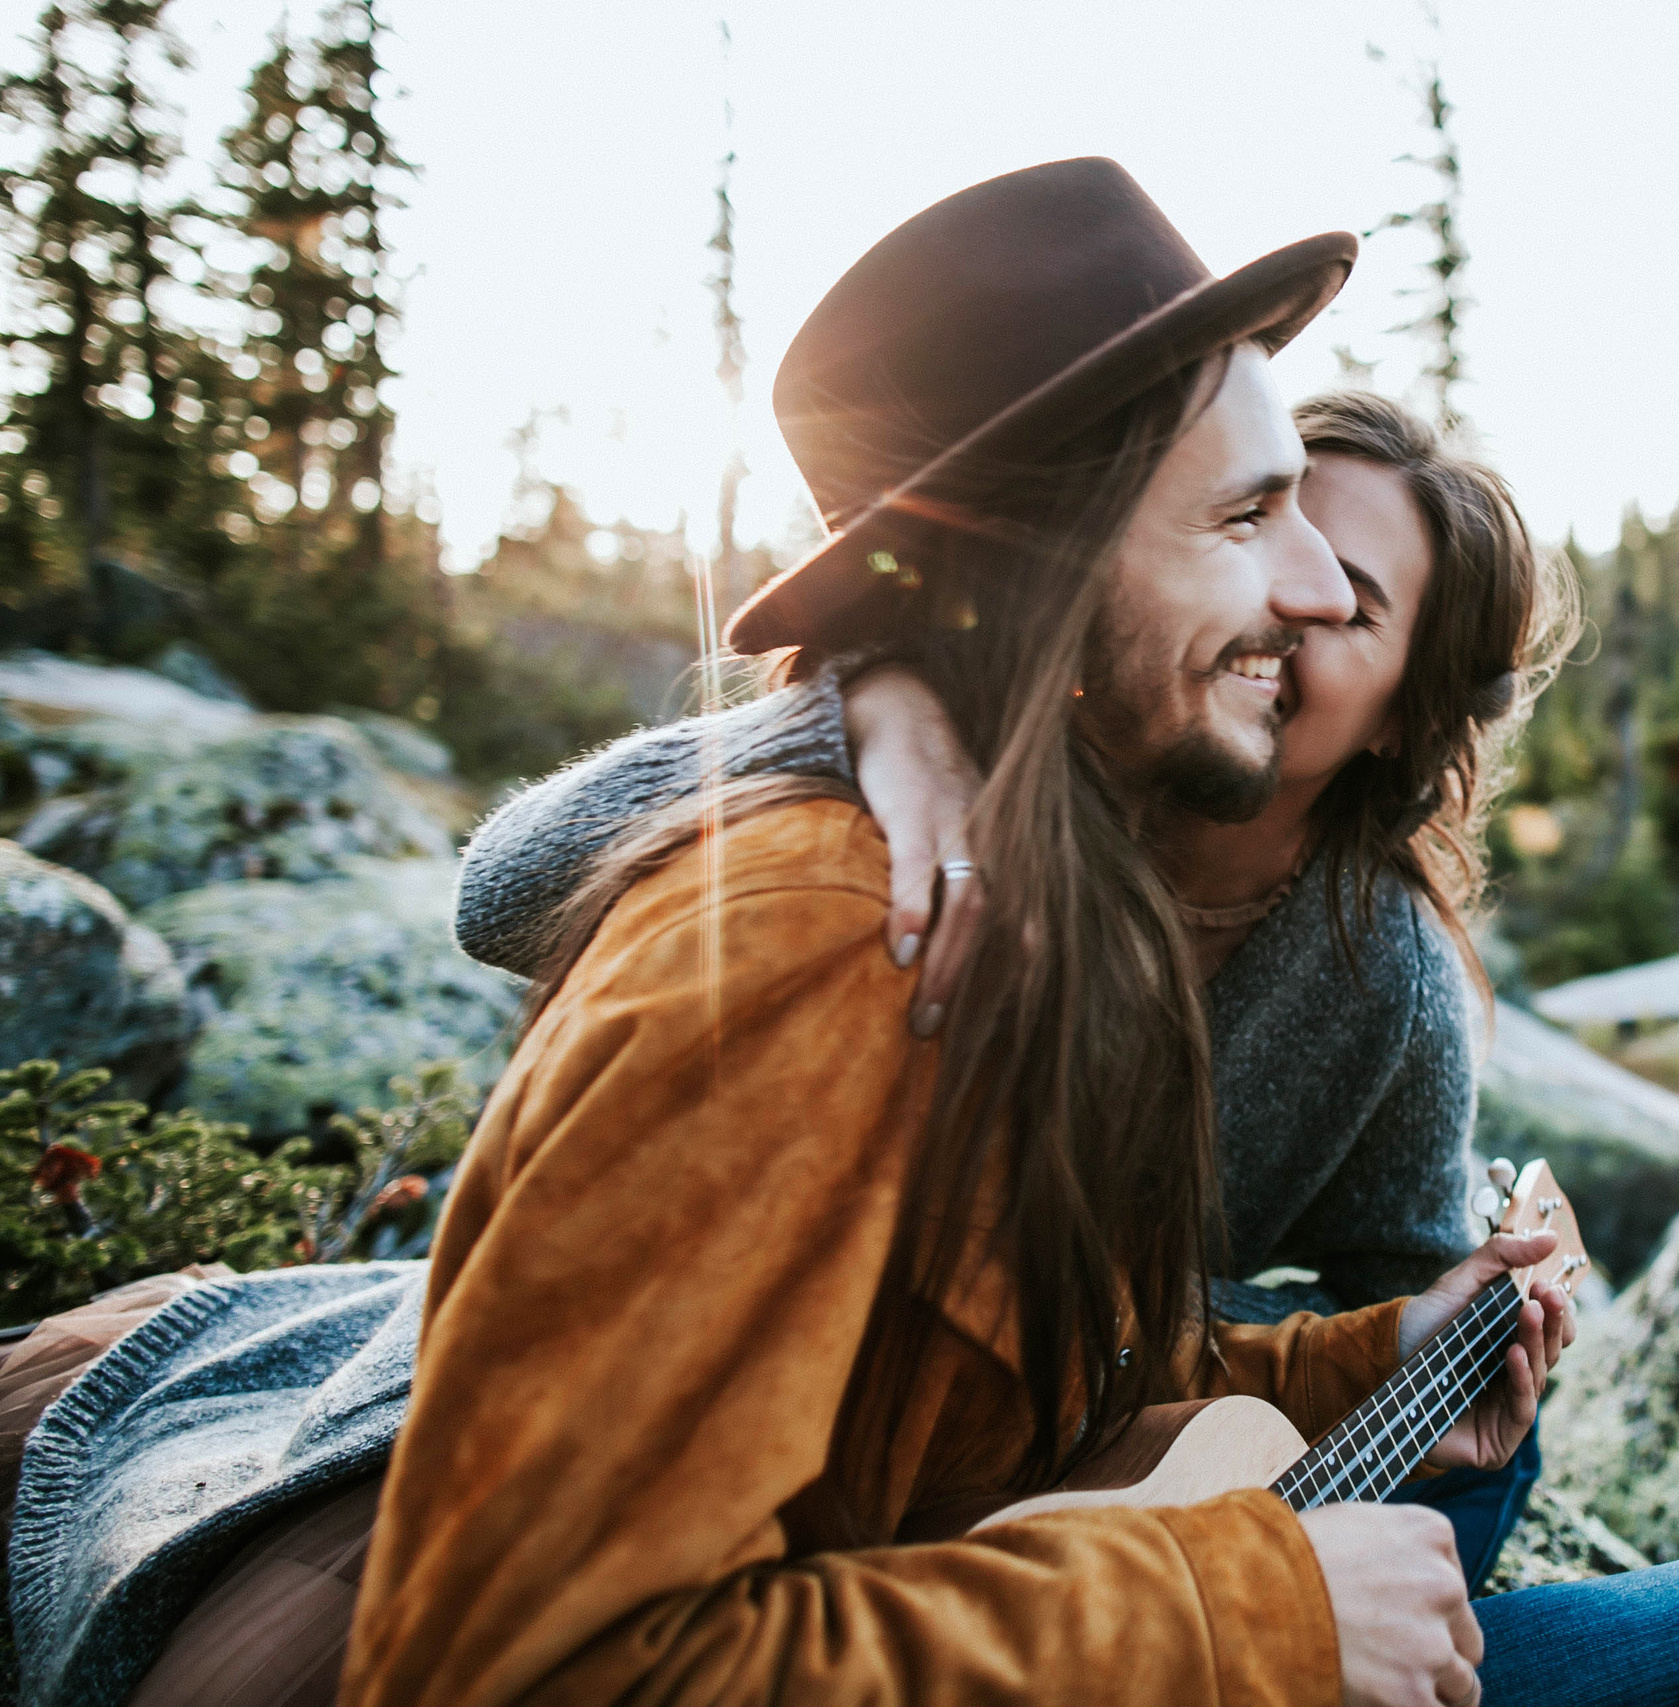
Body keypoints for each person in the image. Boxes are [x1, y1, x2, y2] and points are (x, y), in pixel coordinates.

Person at [4, 160, 1679, 1707]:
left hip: (1000, 1567)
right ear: (1043, 568)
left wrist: (1372, 1351)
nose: (1309, 583)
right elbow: (517, 1664)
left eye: (1324, 546)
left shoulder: (1083, 925)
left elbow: (1023, 1403)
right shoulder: (818, 948)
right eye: (1244, 517)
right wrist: (1243, 1607)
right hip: (1043, 1612)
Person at [445, 382, 1566, 1590]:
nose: (1284, 595)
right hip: (697, 1440)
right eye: (1254, 528)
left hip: (1030, 1482)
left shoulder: (1386, 981)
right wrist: (860, 711)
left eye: (1349, 600)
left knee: (1496, 1463)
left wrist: (1115, 1326)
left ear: (1406, 717)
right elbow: (504, 896)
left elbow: (1396, 1305)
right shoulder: (982, 773)